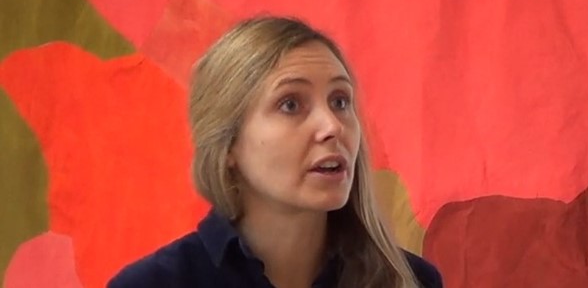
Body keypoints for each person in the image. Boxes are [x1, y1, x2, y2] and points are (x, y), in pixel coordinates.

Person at [108, 16, 442, 288]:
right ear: (228, 145)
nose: (332, 126)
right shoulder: (154, 284)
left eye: (340, 101)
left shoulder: (412, 281)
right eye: (291, 104)